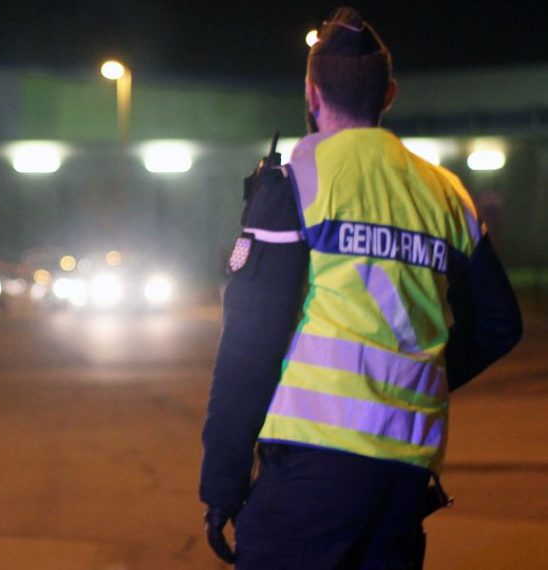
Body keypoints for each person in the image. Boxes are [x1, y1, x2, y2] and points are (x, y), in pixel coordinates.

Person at [199, 7, 522, 568]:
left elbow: (249, 346)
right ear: (389, 95)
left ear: (311, 92)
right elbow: (499, 325)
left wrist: (222, 485)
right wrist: (420, 378)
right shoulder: (446, 192)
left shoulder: (298, 177)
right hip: (406, 471)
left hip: (311, 466)